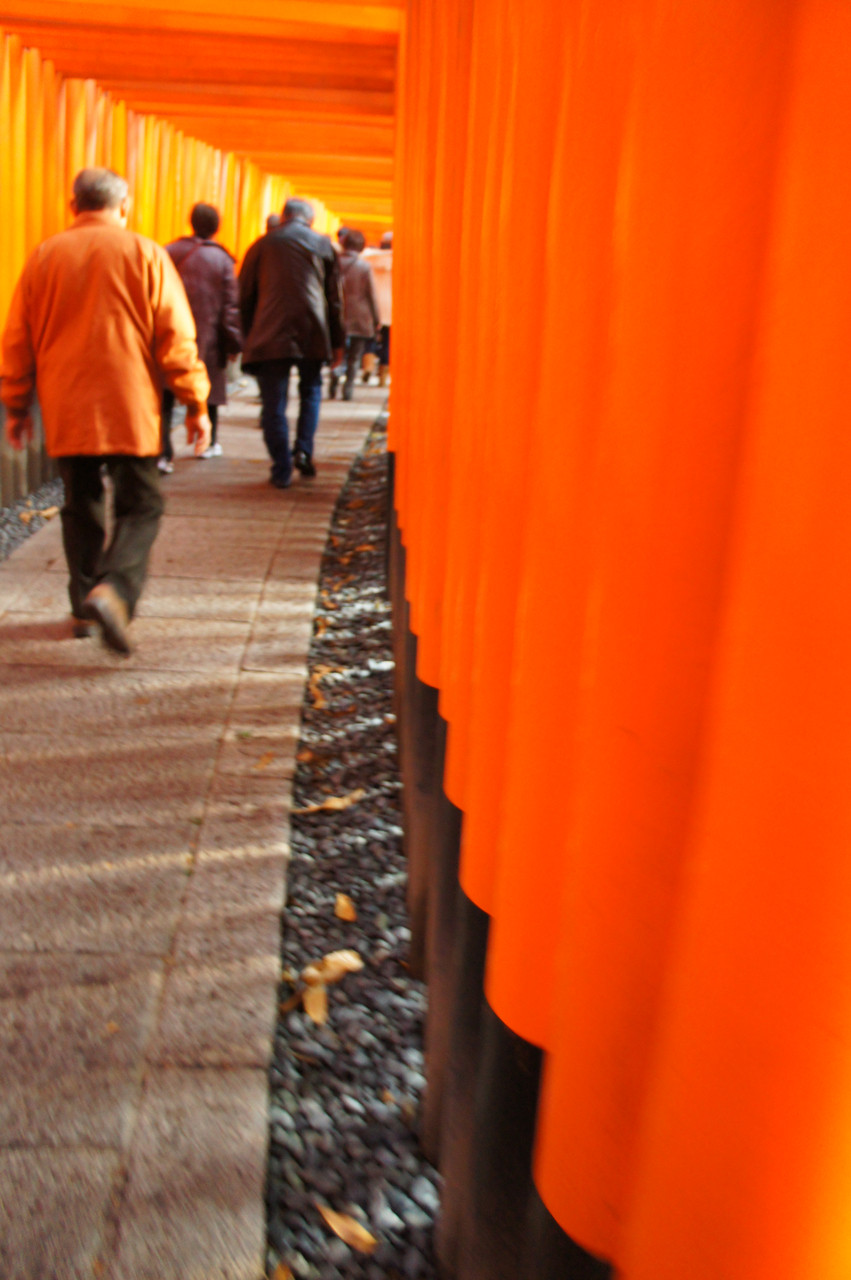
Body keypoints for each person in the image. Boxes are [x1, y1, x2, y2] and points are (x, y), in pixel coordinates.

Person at [1, 167, 210, 654]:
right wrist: (195, 401)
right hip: (129, 403)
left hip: (67, 401)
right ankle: (114, 590)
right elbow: (176, 338)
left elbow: (17, 337)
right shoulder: (146, 254)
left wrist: (16, 403)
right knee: (142, 503)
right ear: (125, 206)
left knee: (81, 503)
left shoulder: (44, 256)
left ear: (74, 206)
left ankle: (83, 606)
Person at [239, 197, 344, 487]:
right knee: (311, 392)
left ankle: (281, 466)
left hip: (270, 332)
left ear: (284, 216)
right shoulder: (323, 245)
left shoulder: (261, 245)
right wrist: (338, 341)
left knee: (274, 401)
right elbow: (335, 299)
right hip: (313, 330)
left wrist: (248, 336)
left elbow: (245, 295)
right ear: (310, 220)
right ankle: (304, 450)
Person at [160, 202, 242, 470]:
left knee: (165, 392)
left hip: (170, 332)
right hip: (209, 336)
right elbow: (230, 306)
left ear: (191, 222)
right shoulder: (222, 260)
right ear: (217, 227)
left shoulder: (169, 252)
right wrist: (234, 342)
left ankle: (163, 453)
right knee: (210, 389)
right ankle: (207, 443)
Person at [329, 229, 380, 402]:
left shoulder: (333, 263)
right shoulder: (364, 266)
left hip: (336, 315)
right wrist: (376, 318)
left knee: (337, 352)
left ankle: (334, 379)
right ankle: (348, 389)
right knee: (354, 356)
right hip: (359, 316)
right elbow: (371, 294)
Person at [363, 230, 393, 387]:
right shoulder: (399, 261)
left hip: (372, 304)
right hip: (391, 306)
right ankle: (383, 375)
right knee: (388, 341)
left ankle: (368, 365)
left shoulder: (370, 259)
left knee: (370, 337)